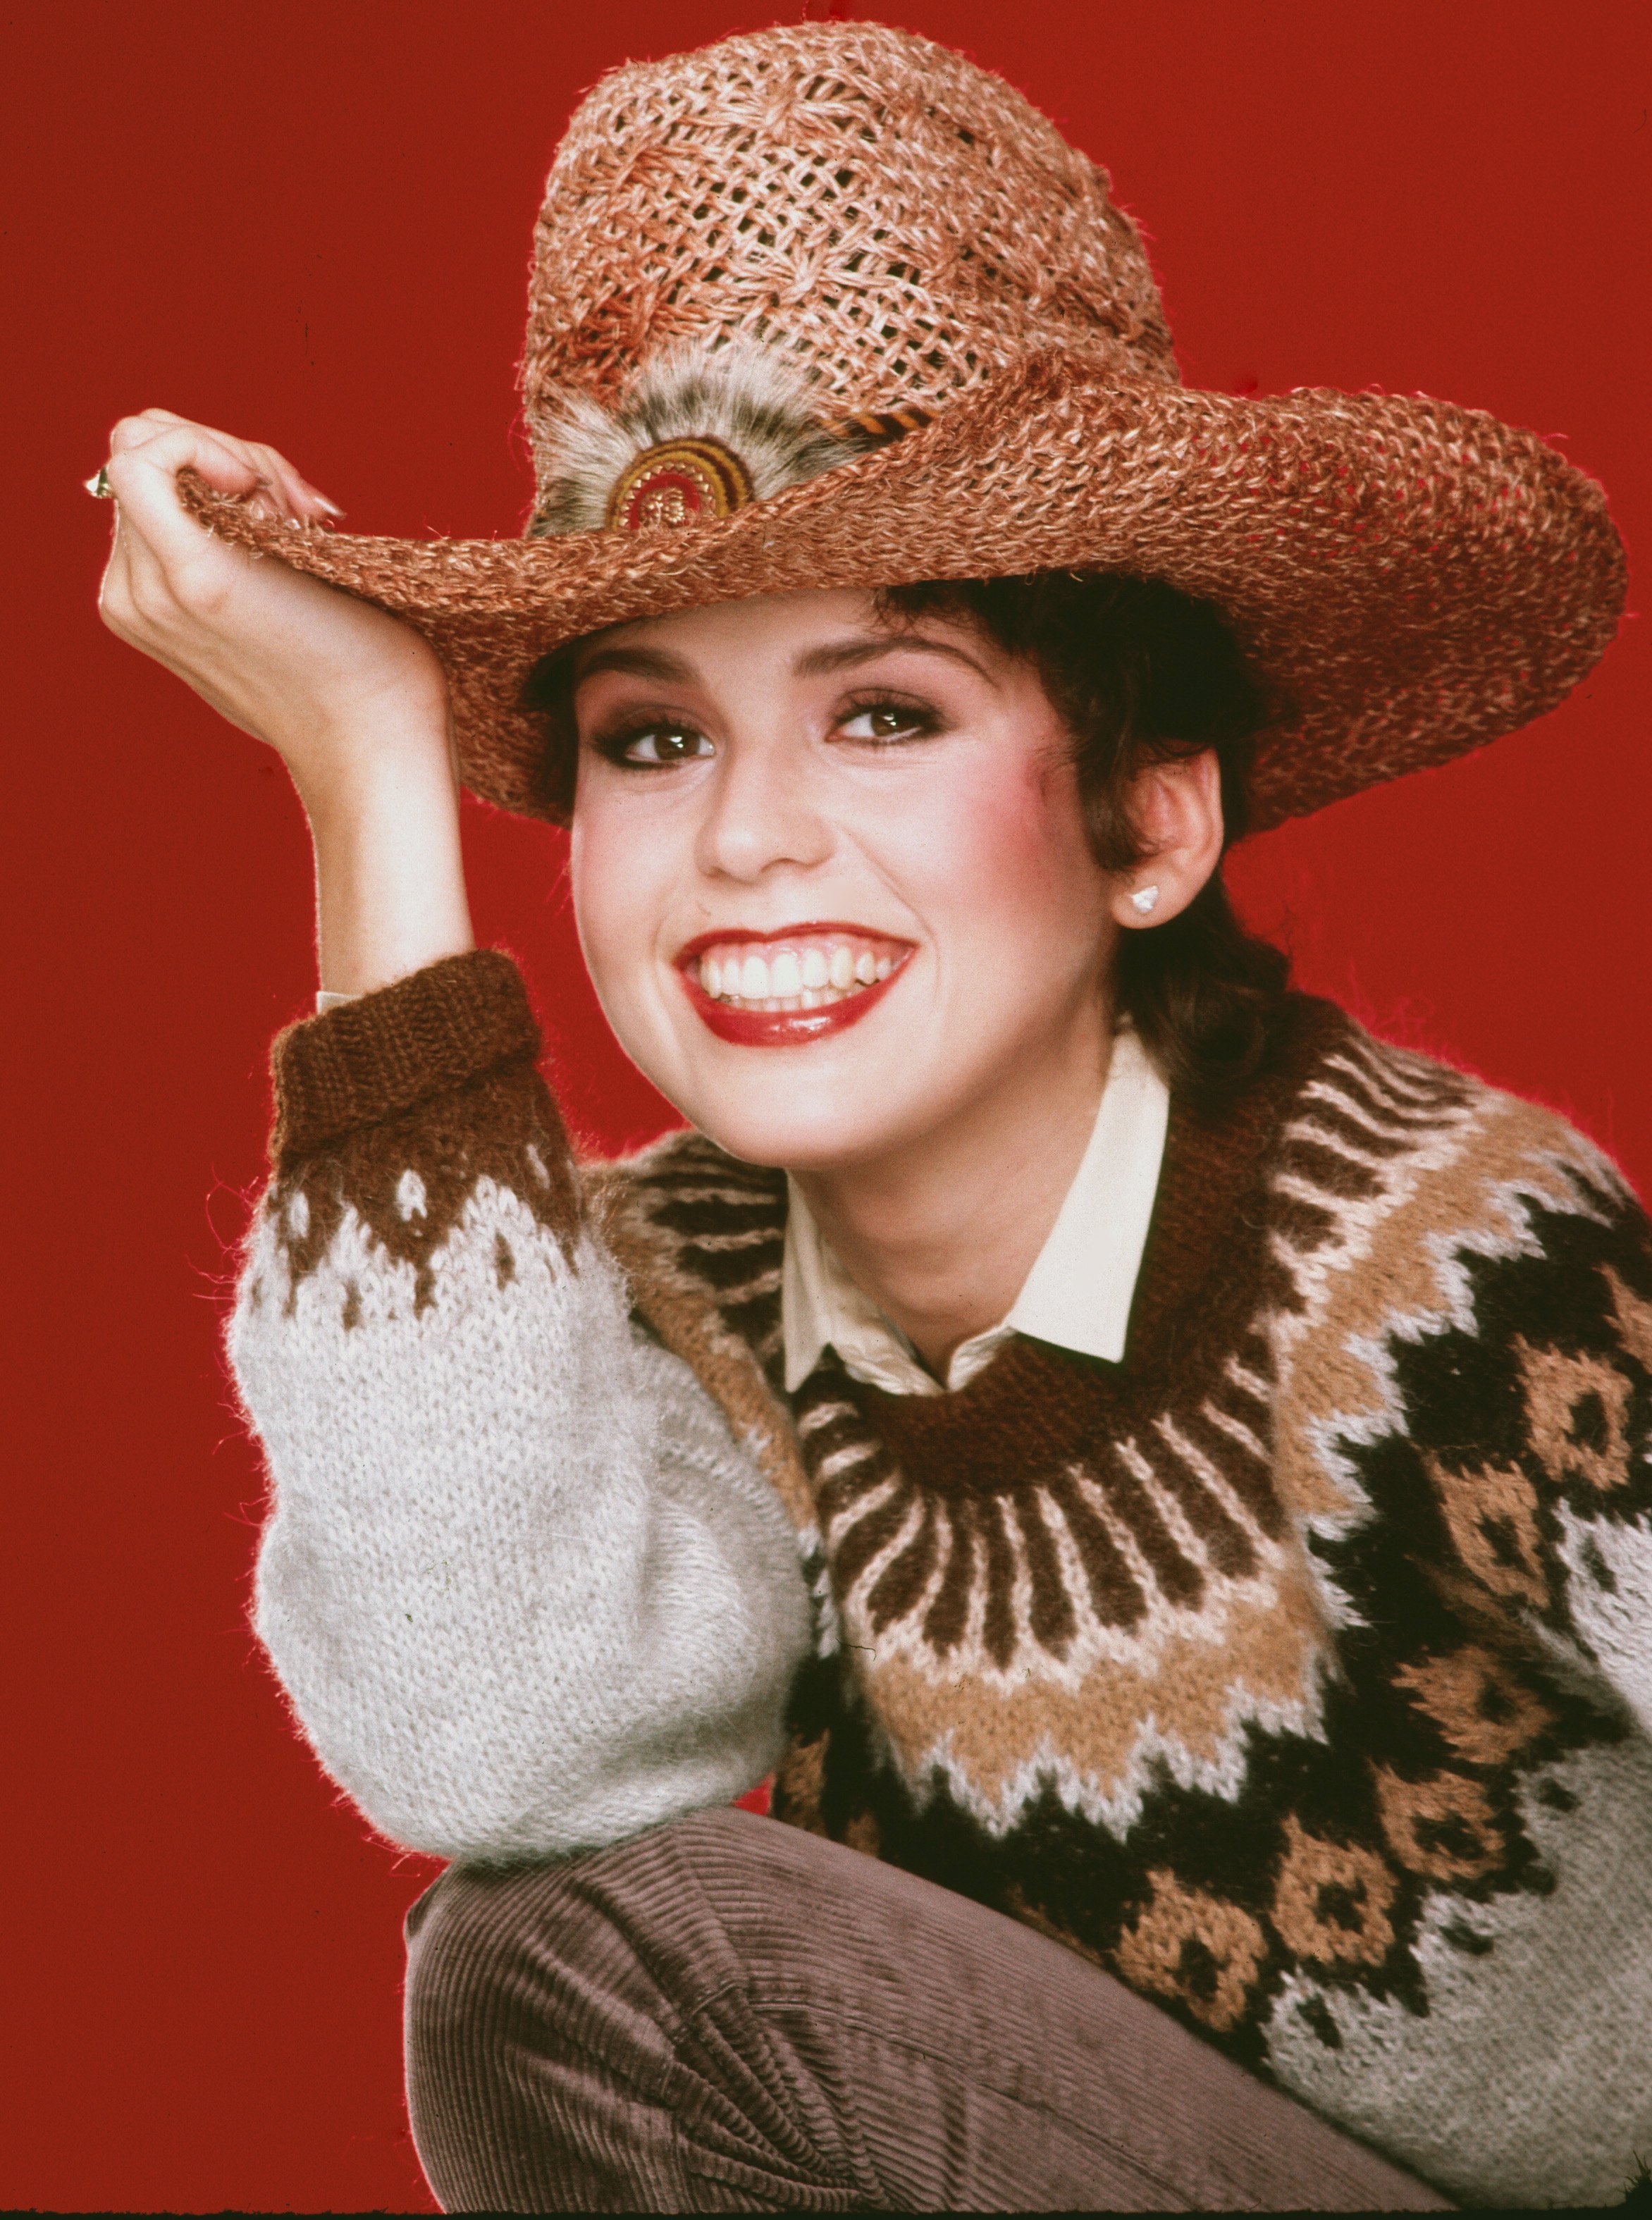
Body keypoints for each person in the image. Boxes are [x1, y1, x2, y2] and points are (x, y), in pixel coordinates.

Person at [92, 20, 1650, 2214]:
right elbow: (498, 1753)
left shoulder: (1441, 1257)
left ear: (1146, 822)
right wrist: (363, 772)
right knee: (562, 1958)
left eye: (887, 711)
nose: (745, 844)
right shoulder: (668, 1298)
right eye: (651, 743)